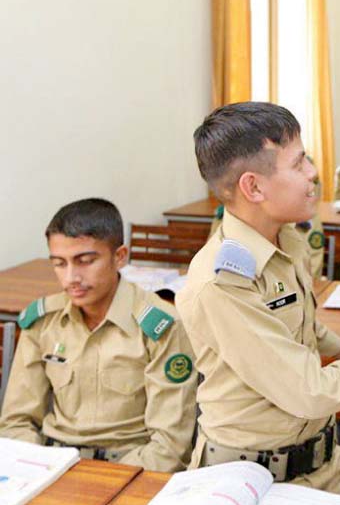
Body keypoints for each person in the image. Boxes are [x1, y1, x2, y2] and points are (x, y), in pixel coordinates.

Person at [176, 102, 340, 493]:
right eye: (299, 163)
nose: (312, 173)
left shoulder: (284, 238)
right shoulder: (222, 283)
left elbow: (302, 324)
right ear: (253, 187)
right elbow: (308, 391)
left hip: (316, 466)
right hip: (250, 482)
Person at [0, 198, 197, 472]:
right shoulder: (43, 321)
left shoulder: (161, 326)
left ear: (119, 256)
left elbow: (170, 446)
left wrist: (99, 481)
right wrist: (37, 470)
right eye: (59, 263)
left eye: (85, 261)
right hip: (52, 466)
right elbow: (16, 422)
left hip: (131, 468)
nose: (71, 278)